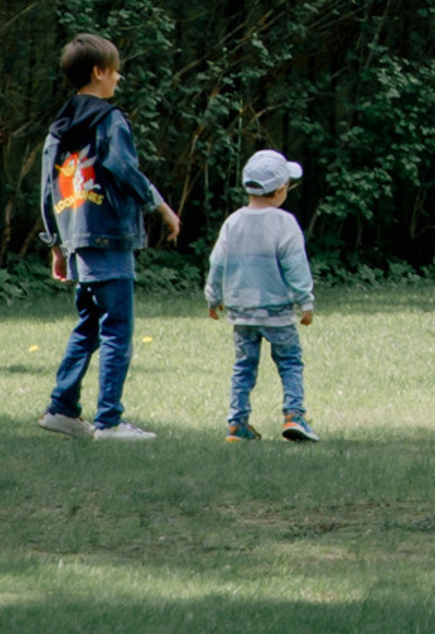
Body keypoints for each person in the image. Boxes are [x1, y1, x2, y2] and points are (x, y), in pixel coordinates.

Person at [37, 34, 180, 441]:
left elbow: (48, 189)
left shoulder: (58, 129)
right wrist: (160, 206)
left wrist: (56, 245)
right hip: (109, 238)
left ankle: (62, 409)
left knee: (89, 325)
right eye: (115, 70)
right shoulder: (110, 120)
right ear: (99, 72)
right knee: (116, 328)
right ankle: (109, 421)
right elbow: (122, 167)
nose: (119, 78)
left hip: (76, 239)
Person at [204, 148, 318, 442]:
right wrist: (305, 302)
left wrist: (213, 296)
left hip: (241, 312)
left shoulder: (233, 222)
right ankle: (294, 416)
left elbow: (217, 262)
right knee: (290, 361)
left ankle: (237, 424)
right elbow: (296, 266)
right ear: (280, 190)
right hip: (277, 312)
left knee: (243, 367)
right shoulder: (285, 223)